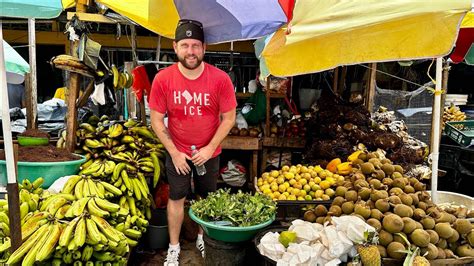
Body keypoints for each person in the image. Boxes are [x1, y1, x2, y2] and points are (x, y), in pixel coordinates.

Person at [148, 19, 237, 266]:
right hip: (177, 150)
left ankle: (202, 239)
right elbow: (156, 120)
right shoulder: (163, 79)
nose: (191, 51)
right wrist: (175, 152)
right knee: (176, 198)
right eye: (185, 45)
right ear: (175, 47)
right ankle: (174, 248)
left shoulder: (220, 79)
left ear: (204, 48)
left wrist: (209, 149)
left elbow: (229, 118)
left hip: (208, 152)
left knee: (206, 198)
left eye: (195, 45)